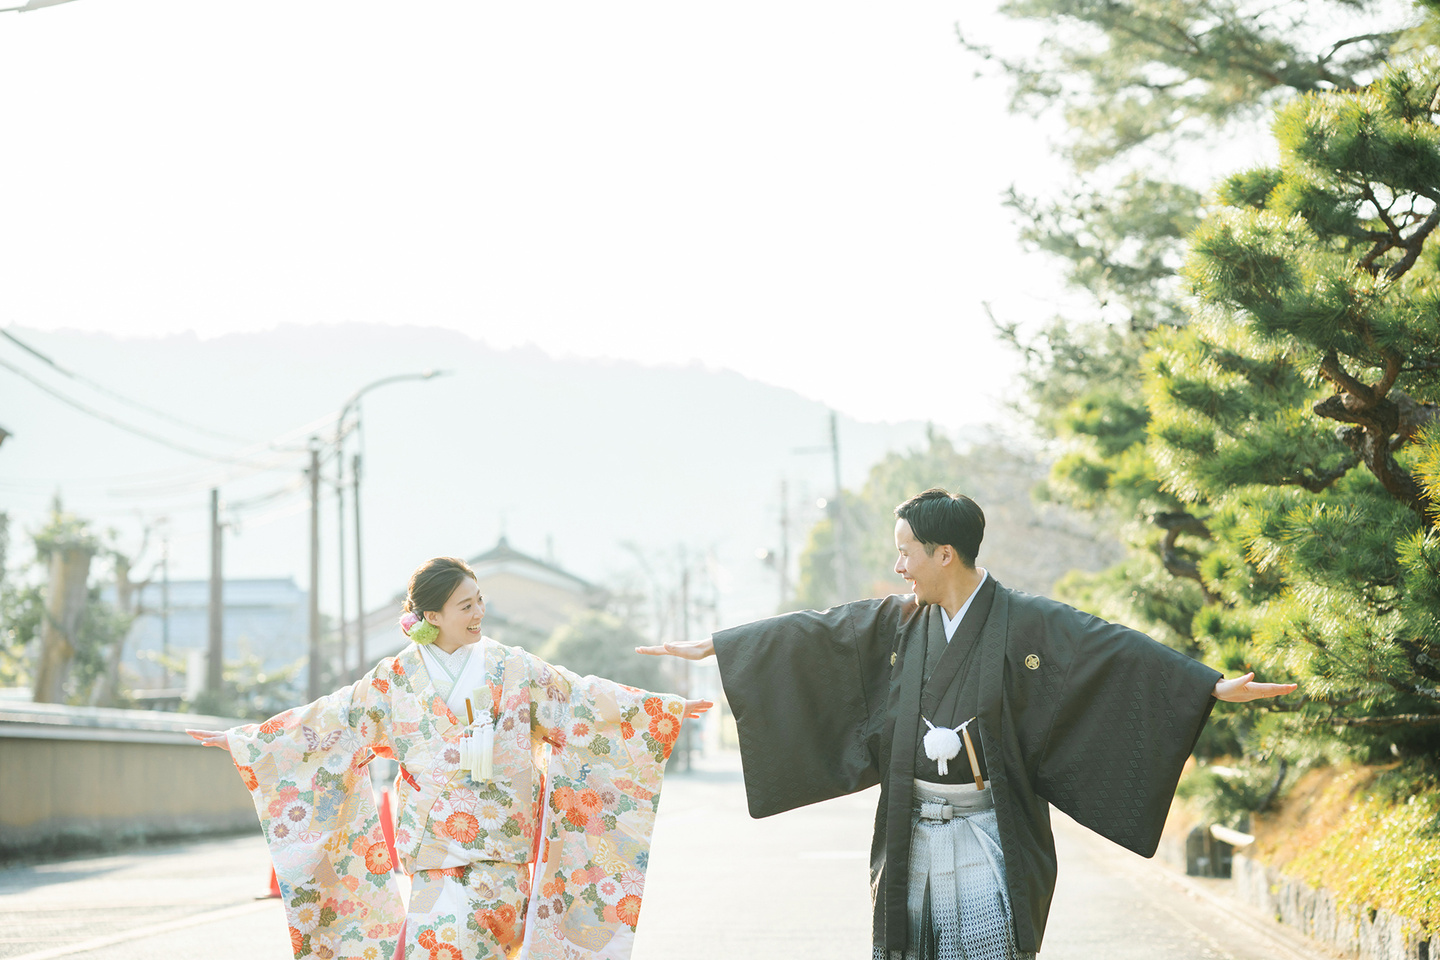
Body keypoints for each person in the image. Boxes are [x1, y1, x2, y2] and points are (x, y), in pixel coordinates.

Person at [640, 488, 1295, 960]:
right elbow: (817, 634)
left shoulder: (1027, 621)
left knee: (987, 949)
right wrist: (719, 647)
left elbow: (1109, 649)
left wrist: (1205, 684)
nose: (899, 567)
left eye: (906, 553)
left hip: (988, 830)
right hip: (914, 829)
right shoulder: (899, 621)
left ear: (944, 553)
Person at [191, 556, 710, 960]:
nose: (479, 612)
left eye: (480, 600)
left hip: (502, 850)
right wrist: (252, 741)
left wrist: (656, 710)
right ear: (431, 616)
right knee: (443, 943)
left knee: (482, 946)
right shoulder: (394, 679)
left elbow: (576, 700)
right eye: (466, 605)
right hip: (435, 850)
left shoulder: (513, 667)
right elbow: (333, 719)